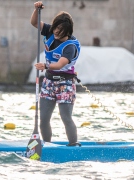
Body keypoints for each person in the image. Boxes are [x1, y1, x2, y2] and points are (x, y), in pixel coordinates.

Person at [31, 1, 81, 146]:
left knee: (65, 117)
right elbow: (34, 23)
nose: (57, 32)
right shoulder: (50, 31)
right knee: (44, 119)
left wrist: (46, 65)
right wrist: (36, 9)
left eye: (61, 31)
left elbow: (59, 64)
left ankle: (73, 145)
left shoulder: (70, 46)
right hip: (48, 82)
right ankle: (47, 146)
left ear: (68, 32)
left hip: (65, 84)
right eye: (56, 28)